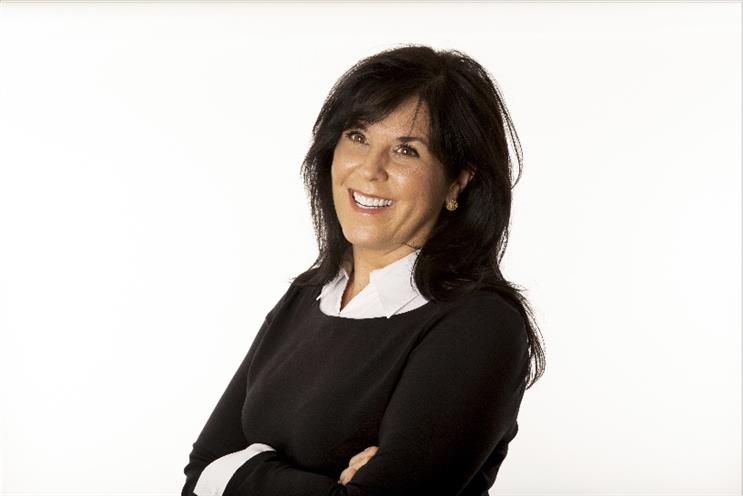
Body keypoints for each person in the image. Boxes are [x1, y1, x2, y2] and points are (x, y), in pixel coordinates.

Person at [181, 44, 545, 496]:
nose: (371, 170)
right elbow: (200, 473)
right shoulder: (311, 294)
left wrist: (242, 471)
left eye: (406, 150)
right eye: (357, 137)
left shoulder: (478, 325)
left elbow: (218, 476)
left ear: (457, 180)